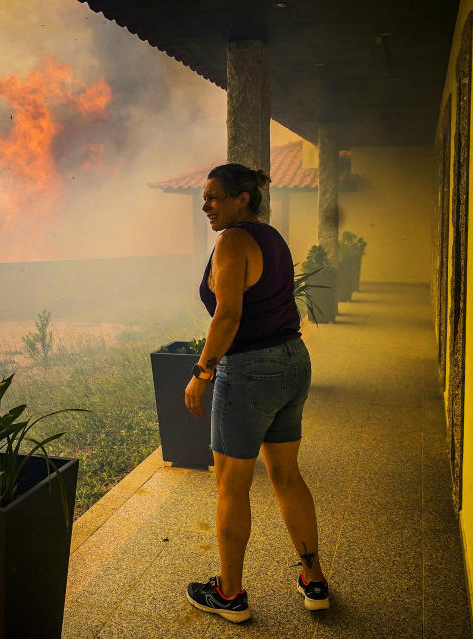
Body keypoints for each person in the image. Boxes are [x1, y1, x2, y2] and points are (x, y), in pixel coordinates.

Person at [183, 163, 328, 623]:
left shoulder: (231, 242)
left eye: (214, 197)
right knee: (287, 476)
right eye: (204, 198)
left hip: (248, 371)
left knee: (232, 485)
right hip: (292, 361)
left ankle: (229, 595)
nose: (206, 205)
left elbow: (227, 316)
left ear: (241, 199)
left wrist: (201, 373)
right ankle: (314, 580)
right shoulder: (272, 237)